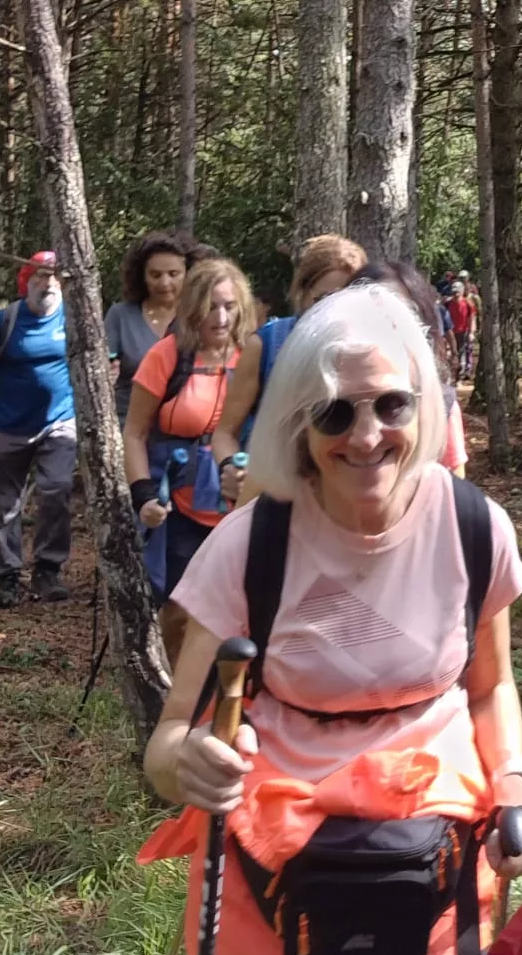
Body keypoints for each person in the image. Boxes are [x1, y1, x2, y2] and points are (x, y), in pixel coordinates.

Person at [140, 284, 522, 955]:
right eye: (335, 414)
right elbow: (167, 742)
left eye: (392, 404)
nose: (367, 436)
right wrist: (192, 763)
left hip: (430, 894)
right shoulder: (252, 545)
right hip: (266, 890)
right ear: (299, 426)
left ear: (424, 407)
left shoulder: (474, 527)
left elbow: (489, 685)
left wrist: (511, 785)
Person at [126, 256, 252, 656]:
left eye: (229, 307)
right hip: (179, 509)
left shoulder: (254, 356)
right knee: (181, 611)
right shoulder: (168, 356)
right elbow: (134, 433)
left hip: (243, 507)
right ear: (192, 308)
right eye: (210, 307)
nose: (219, 317)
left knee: (244, 609)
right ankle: (182, 702)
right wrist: (143, 495)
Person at [0, 251, 76, 608]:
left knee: (56, 489)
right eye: (41, 275)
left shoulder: (75, 321)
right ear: (27, 280)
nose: (49, 282)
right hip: (6, 426)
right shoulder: (5, 321)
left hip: (58, 422)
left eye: (56, 276)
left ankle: (48, 570)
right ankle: (5, 578)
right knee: (6, 506)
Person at [211, 235, 366, 495]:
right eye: (323, 298)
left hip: (347, 503)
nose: (335, 309)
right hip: (274, 501)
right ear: (302, 294)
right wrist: (233, 468)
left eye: (346, 297)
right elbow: (224, 433)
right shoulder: (266, 345)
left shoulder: (372, 350)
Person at [349, 261, 467, 472]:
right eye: (372, 314)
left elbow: (453, 486)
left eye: (404, 315)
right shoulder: (317, 401)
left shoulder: (441, 403)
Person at [105, 229, 194, 425]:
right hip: (128, 426)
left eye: (173, 274)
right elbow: (104, 366)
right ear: (142, 276)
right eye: (155, 275)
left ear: (188, 274)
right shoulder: (120, 315)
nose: (165, 283)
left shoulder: (199, 317)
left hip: (185, 432)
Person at [447, 274, 476, 384]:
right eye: (454, 291)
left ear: (462, 291)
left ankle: (460, 376)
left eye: (457, 291)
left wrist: (471, 332)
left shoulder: (468, 304)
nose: (455, 294)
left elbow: (472, 319)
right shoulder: (447, 303)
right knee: (450, 354)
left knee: (461, 354)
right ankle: (450, 376)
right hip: (450, 333)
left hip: (463, 332)